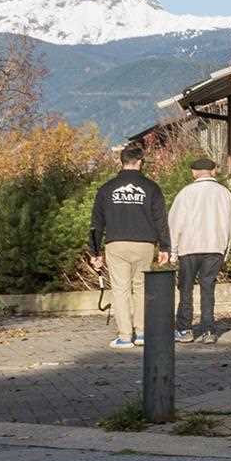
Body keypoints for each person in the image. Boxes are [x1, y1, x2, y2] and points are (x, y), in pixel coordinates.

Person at [87, 144, 174, 349]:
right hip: (144, 244)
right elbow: (161, 220)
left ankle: (125, 337)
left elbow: (96, 223)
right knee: (141, 288)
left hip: (116, 244)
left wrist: (94, 251)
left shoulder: (106, 188)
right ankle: (142, 333)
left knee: (120, 290)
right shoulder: (152, 188)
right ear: (140, 162)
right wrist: (165, 247)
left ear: (122, 161)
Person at [170, 155, 231, 344]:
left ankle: (184, 329)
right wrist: (226, 250)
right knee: (208, 288)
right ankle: (209, 330)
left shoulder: (185, 193)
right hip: (215, 247)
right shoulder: (224, 193)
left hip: (189, 247)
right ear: (213, 171)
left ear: (193, 172)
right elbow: (229, 224)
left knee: (185, 289)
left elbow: (175, 223)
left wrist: (173, 252)